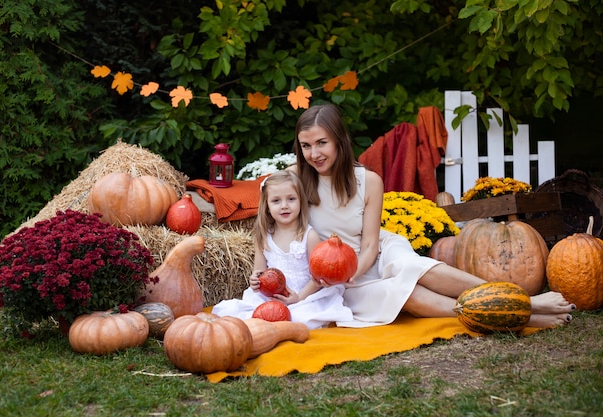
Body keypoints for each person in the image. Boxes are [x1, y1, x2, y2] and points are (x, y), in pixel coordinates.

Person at [289, 103, 575, 329]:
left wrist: (355, 268)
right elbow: (266, 199)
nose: (313, 154)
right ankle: (510, 314)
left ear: (339, 140)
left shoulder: (369, 180)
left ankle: (526, 300)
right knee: (405, 294)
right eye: (305, 146)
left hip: (373, 252)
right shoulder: (295, 180)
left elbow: (370, 245)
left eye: (321, 143)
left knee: (412, 267)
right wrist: (341, 275)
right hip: (341, 275)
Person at [212, 170, 353, 329]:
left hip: (303, 296)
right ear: (267, 206)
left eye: (291, 199)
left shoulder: (309, 236)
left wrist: (298, 297)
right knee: (241, 313)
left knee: (302, 319)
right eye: (276, 201)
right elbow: (259, 270)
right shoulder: (264, 237)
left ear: (301, 201)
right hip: (270, 297)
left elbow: (317, 278)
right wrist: (255, 281)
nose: (284, 206)